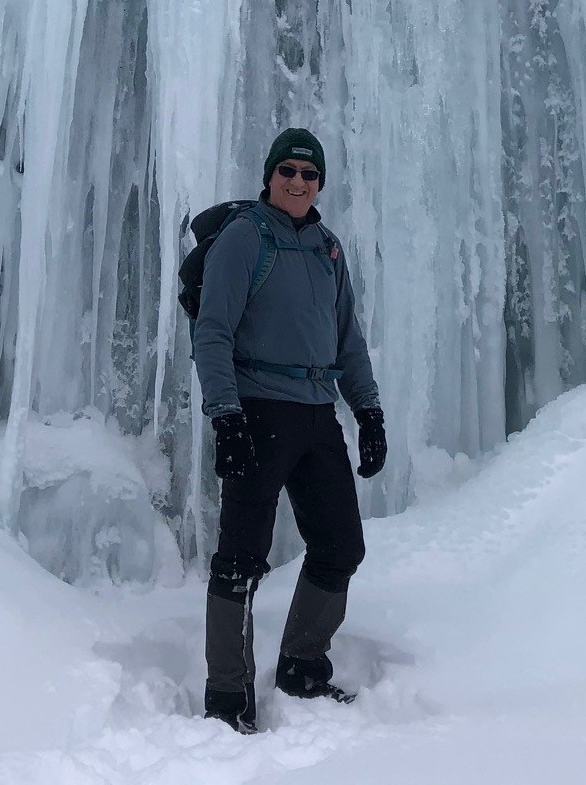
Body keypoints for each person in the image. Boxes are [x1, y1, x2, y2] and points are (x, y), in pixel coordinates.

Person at [192, 125, 388, 733]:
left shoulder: (329, 248)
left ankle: (303, 665)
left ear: (319, 183)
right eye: (288, 172)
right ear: (270, 176)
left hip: (315, 413)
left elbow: (348, 341)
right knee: (239, 559)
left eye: (309, 174)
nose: (298, 182)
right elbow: (213, 332)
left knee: (340, 546)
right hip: (257, 409)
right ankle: (228, 697)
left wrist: (369, 411)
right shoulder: (246, 238)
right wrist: (225, 416)